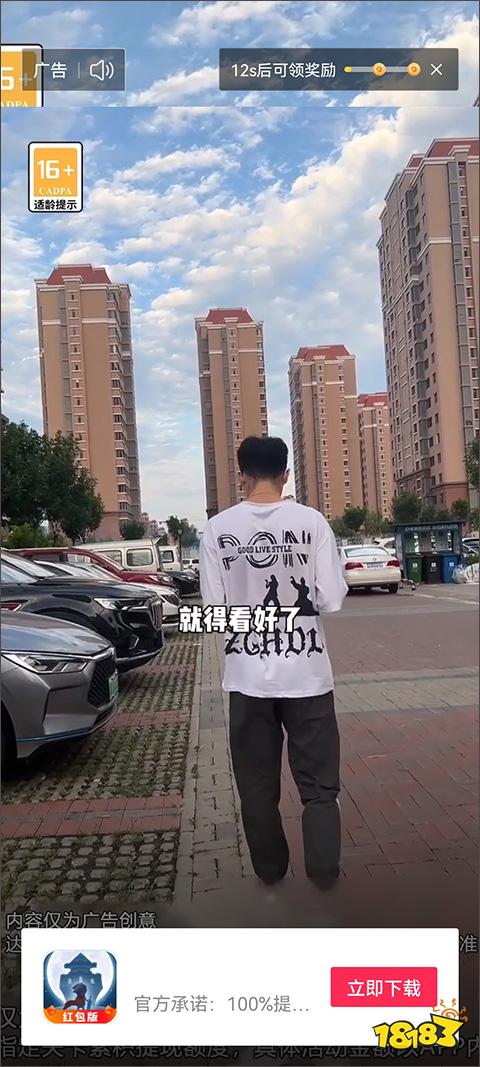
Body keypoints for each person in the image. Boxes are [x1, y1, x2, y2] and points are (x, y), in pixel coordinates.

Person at [200, 435, 347, 888]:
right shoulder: (312, 523)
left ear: (241, 474)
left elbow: (214, 613)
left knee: (256, 786)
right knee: (319, 785)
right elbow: (330, 598)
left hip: (247, 680)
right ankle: (323, 871)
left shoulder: (217, 530)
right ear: (286, 474)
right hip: (308, 678)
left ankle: (269, 870)